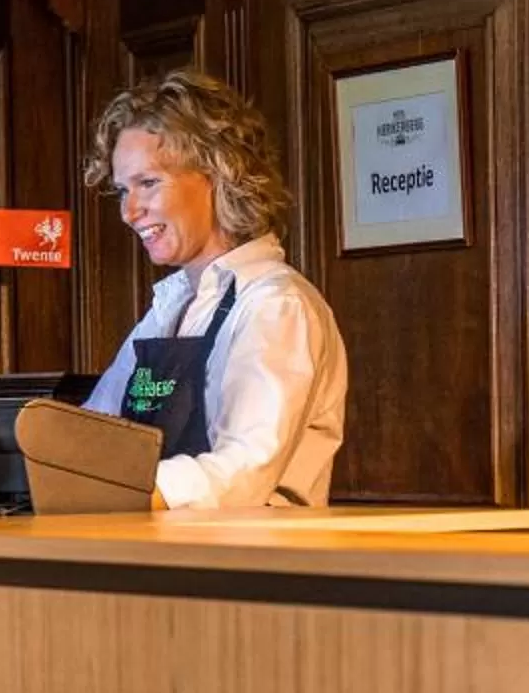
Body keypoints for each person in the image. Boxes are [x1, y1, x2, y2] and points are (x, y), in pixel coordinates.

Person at [80, 72, 348, 508]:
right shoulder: (170, 306)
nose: (130, 212)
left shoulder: (276, 305)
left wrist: (115, 488)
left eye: (148, 184)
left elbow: (242, 470)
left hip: (251, 567)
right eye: (122, 191)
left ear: (220, 175)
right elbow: (90, 435)